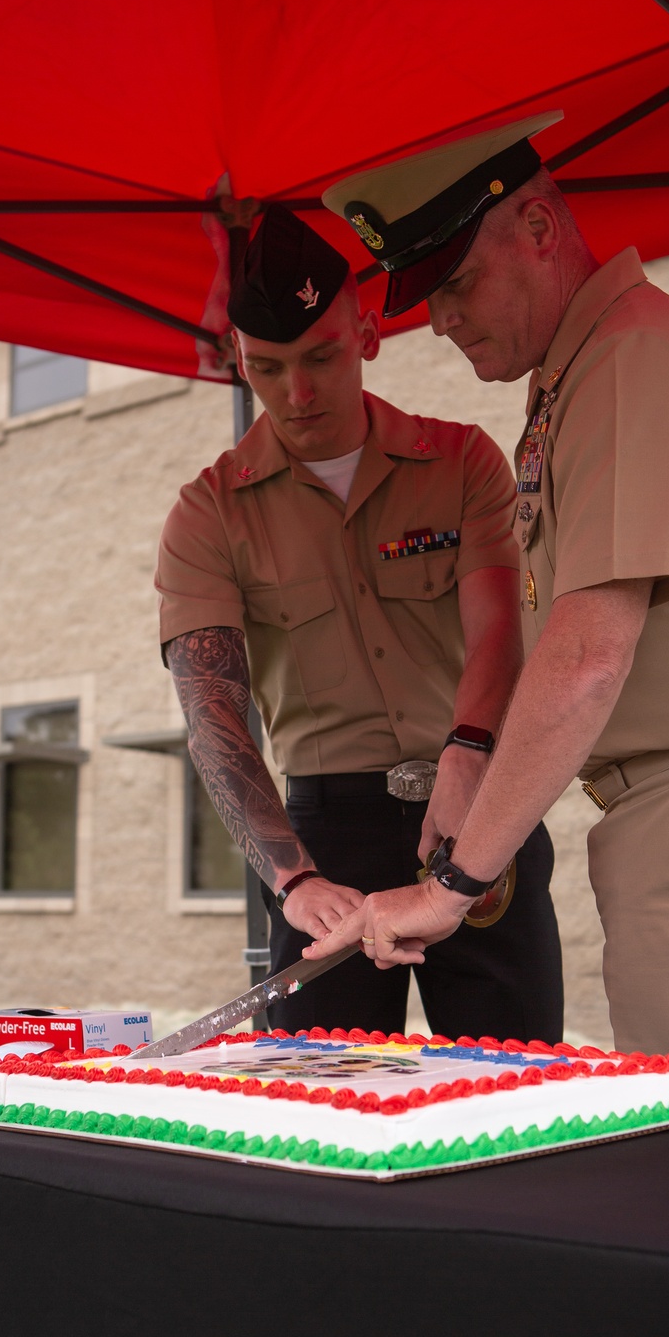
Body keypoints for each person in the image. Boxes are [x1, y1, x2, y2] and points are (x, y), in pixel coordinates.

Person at [307, 114, 669, 1078]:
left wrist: (451, 886)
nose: (441, 319)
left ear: (539, 227)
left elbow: (590, 652)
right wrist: (475, 750)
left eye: (459, 281)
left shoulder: (630, 357)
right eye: (425, 297)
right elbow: (562, 627)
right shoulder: (583, 370)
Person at [155, 203, 563, 1041]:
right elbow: (214, 718)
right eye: (267, 368)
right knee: (314, 1110)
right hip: (320, 840)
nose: (297, 394)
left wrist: (473, 755)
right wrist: (292, 881)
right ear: (239, 359)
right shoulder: (208, 513)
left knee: (513, 1090)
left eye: (322, 356)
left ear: (370, 333)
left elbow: (499, 634)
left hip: (475, 805)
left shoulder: (461, 462)